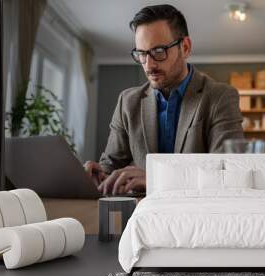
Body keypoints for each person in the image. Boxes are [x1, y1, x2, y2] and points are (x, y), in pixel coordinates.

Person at [84, 4, 244, 195]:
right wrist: (97, 175)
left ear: (185, 47)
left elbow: (226, 173)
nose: (148, 65)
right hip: (142, 215)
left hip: (198, 215)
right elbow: (110, 166)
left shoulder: (220, 97)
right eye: (141, 54)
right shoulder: (127, 102)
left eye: (158, 51)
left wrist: (155, 180)